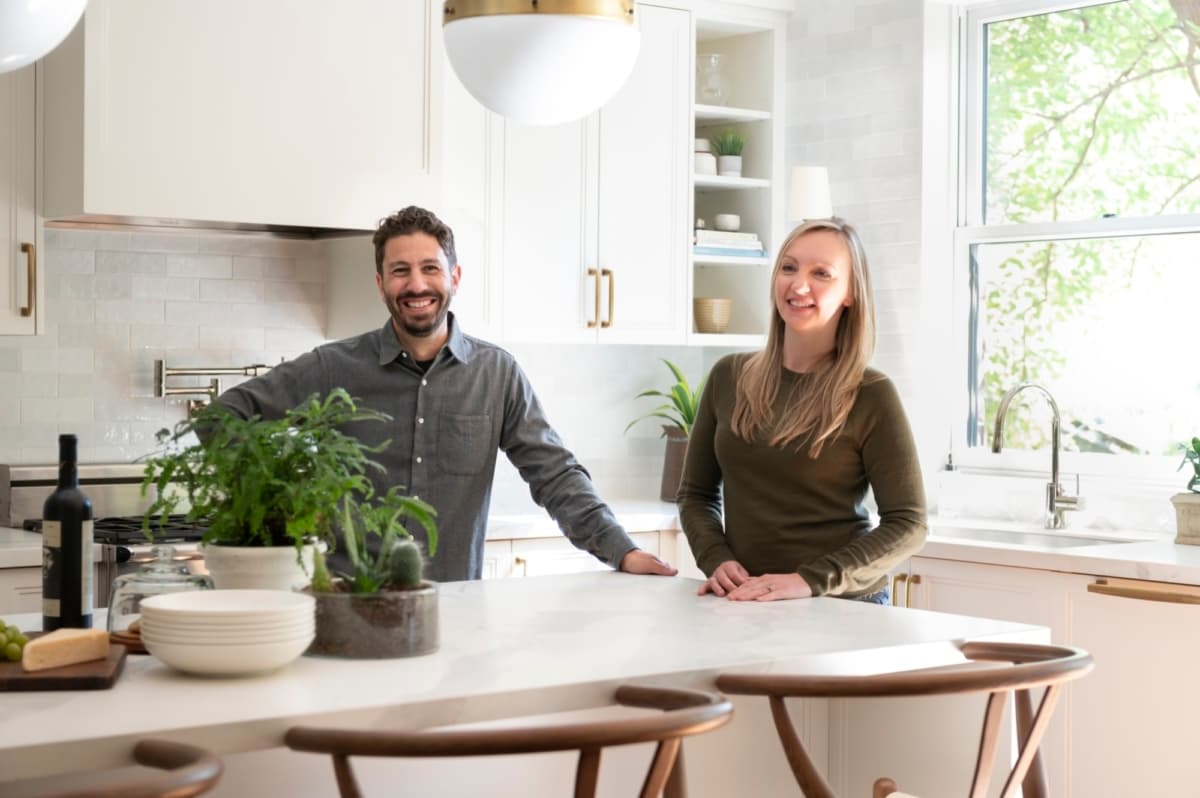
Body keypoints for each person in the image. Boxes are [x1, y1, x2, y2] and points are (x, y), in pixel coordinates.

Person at [215, 206, 676, 583]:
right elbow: (223, 416)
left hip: (456, 613)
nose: (416, 285)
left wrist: (622, 551)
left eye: (430, 268)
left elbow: (555, 476)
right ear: (380, 284)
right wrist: (280, 501)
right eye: (400, 271)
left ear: (454, 277)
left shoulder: (496, 374)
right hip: (349, 608)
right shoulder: (333, 367)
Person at [678, 217, 926, 603]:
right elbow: (696, 494)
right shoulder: (729, 376)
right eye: (788, 267)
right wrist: (716, 558)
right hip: (748, 600)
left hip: (843, 605)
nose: (798, 285)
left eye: (821, 273)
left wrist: (809, 580)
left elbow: (909, 523)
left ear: (851, 292)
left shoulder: (871, 393)